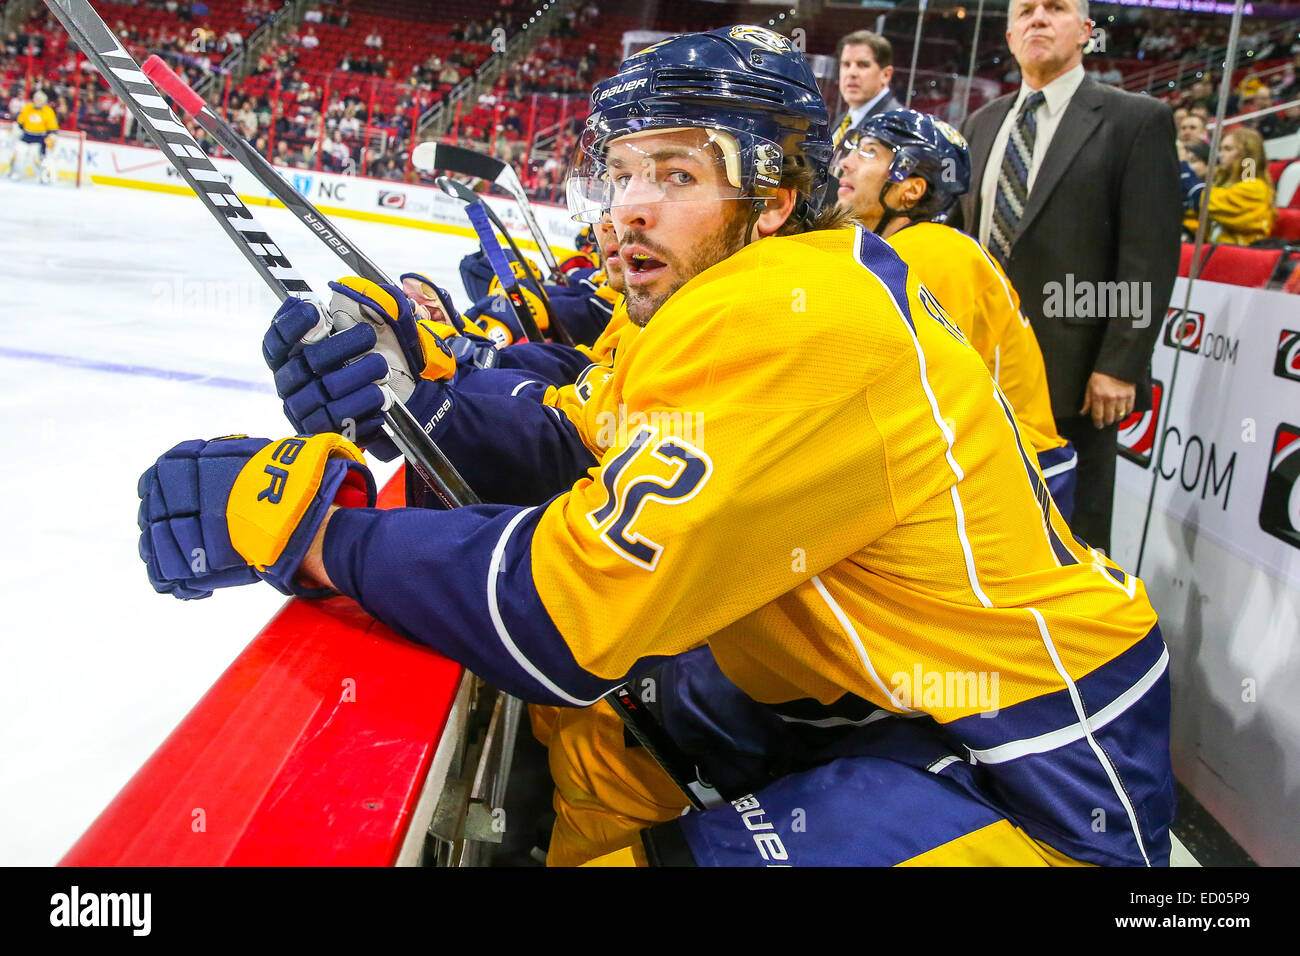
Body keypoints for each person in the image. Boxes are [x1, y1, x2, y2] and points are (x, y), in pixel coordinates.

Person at [138, 25, 1174, 867]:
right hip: (884, 706)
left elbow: (565, 614)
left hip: (1035, 772)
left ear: (770, 200)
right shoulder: (709, 305)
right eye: (622, 170)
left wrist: (319, 533)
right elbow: (573, 443)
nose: (629, 204)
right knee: (597, 737)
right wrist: (417, 391)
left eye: (674, 172)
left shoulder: (801, 314)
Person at [951, 0, 1181, 554]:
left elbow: (1147, 255)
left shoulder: (1135, 120)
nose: (1037, 19)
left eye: (1054, 8)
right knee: (986, 531)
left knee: (1074, 535)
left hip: (1075, 378)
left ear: (1084, 30)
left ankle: (1083, 640)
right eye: (1025, 10)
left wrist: (1119, 364)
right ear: (1008, 34)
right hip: (976, 368)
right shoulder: (980, 124)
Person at [832, 108, 1076, 518]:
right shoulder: (902, 247)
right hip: (986, 459)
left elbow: (908, 386)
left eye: (870, 152)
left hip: (1019, 472)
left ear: (909, 189)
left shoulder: (933, 251)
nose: (847, 161)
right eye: (854, 148)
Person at [1182, 127, 1276, 246]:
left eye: (1228, 149)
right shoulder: (1224, 184)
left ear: (1247, 154)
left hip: (1240, 256)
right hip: (1214, 251)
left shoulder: (1255, 188)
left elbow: (1204, 201)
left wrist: (1184, 168)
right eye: (1220, 149)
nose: (1221, 155)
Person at [8, 90, 59, 183]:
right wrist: (15, 130)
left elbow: (52, 129)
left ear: (44, 101)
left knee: (35, 157)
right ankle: (16, 173)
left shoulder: (48, 111)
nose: (37, 101)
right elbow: (20, 123)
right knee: (19, 153)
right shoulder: (27, 108)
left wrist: (51, 139)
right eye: (36, 99)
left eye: (40, 99)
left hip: (40, 138)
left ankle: (41, 176)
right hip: (26, 135)